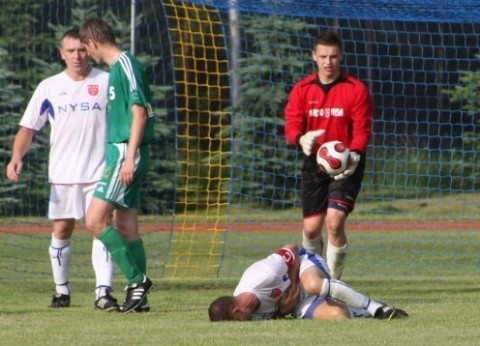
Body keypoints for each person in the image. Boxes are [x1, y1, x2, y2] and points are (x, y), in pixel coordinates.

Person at [5, 28, 119, 311]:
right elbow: (29, 127)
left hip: (100, 171)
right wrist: (16, 156)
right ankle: (61, 291)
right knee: (62, 228)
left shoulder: (106, 82)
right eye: (70, 51)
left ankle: (103, 293)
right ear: (62, 54)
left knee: (101, 228)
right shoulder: (49, 87)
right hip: (64, 173)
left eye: (81, 50)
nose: (77, 56)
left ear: (89, 50)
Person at [284, 30, 374, 279]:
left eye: (333, 56)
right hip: (314, 164)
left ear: (341, 57)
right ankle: (312, 277)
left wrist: (354, 154)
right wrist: (300, 138)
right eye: (323, 56)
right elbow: (292, 124)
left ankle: (333, 284)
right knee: (312, 229)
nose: (328, 62)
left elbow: (362, 129)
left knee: (334, 222)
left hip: (347, 164)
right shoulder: (302, 89)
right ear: (314, 56)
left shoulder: (355, 89)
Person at [79, 17, 154, 313]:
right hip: (121, 152)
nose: (88, 55)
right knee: (126, 225)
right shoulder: (116, 69)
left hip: (126, 152)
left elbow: (139, 113)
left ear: (94, 43)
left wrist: (128, 157)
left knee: (94, 220)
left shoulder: (125, 65)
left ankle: (138, 281)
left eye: (87, 48)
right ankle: (141, 299)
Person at [208, 244, 408, 321]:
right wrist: (282, 310)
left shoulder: (261, 276)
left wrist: (294, 285)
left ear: (237, 312)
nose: (242, 325)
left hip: (303, 267)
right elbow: (278, 313)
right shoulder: (252, 316)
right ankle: (361, 312)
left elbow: (293, 249)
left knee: (313, 284)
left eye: (237, 322)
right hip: (299, 304)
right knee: (340, 316)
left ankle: (378, 308)